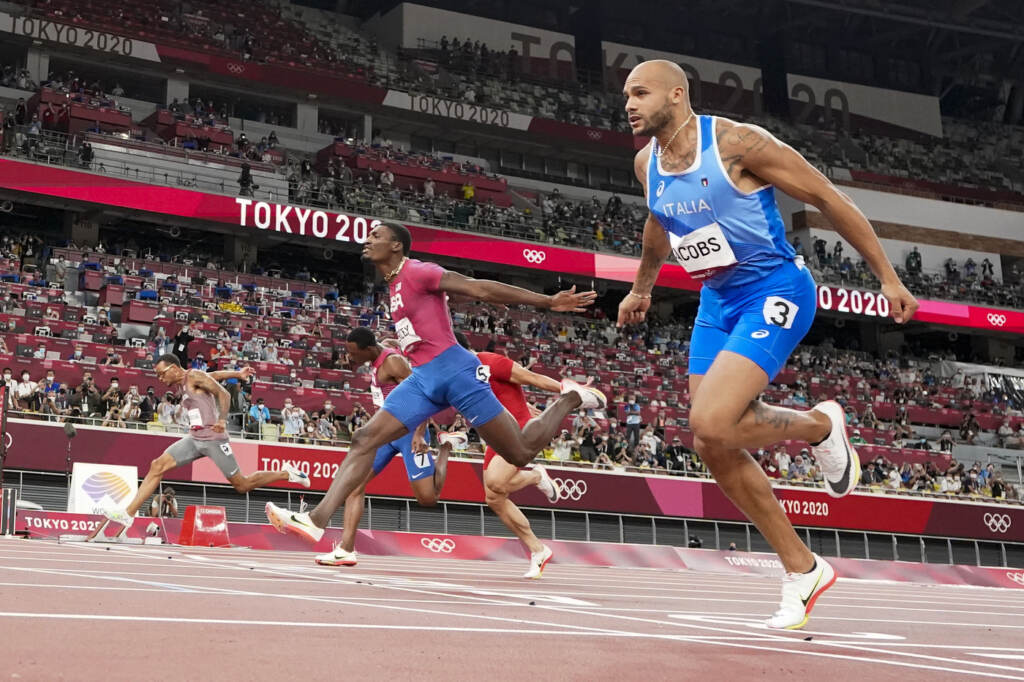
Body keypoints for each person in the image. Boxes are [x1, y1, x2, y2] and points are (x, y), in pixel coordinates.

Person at [617, 60, 918, 631]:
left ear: (676, 95)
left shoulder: (737, 143)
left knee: (710, 420)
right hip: (717, 301)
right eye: (626, 95)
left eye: (640, 93)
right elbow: (659, 222)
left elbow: (827, 197)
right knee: (711, 443)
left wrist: (887, 277)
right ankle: (804, 569)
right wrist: (642, 288)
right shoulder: (645, 162)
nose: (628, 104)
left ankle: (819, 427)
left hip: (775, 289)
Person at [265, 221, 605, 545]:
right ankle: (315, 520)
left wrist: (547, 301)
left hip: (456, 372)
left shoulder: (418, 270)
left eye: (376, 235)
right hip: (423, 379)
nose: (367, 240)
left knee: (520, 451)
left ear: (395, 246)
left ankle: (571, 399)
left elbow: (477, 287)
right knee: (363, 439)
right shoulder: (394, 285)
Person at [91, 356, 311, 537]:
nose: (160, 378)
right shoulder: (186, 381)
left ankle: (288, 473)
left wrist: (222, 420)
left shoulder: (194, 376)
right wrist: (237, 374)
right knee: (157, 465)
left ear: (173, 368)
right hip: (195, 439)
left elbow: (223, 393)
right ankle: (128, 513)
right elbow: (214, 376)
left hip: (214, 438)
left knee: (242, 485)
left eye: (161, 373)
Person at [309, 328, 464, 567]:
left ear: (368, 349)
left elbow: (424, 395)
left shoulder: (393, 363)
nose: (350, 357)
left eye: (353, 352)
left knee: (428, 498)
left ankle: (445, 446)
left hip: (409, 432)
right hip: (383, 432)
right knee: (354, 485)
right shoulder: (380, 350)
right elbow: (390, 341)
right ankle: (346, 550)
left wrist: (420, 433)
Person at [454, 331, 562, 578]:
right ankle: (538, 549)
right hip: (495, 434)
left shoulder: (491, 361)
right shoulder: (460, 375)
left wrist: (568, 389)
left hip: (518, 427)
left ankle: (536, 476)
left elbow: (532, 378)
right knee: (493, 498)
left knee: (496, 482)